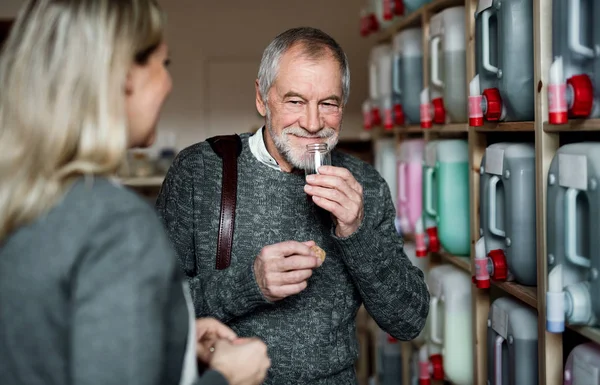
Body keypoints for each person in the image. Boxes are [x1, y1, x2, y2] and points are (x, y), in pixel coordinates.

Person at [0, 1, 270, 385]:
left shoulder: (23, 199)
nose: (168, 83)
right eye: (164, 64)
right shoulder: (115, 224)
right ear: (127, 73)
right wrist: (227, 377)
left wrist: (168, 341)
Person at [156, 26, 430, 384]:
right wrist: (249, 284)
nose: (313, 123)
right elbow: (155, 310)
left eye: (328, 104)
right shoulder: (200, 171)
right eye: (295, 101)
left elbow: (409, 321)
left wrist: (356, 231)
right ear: (261, 99)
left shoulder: (365, 184)